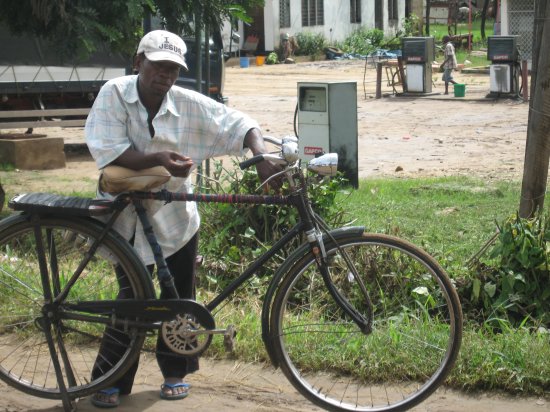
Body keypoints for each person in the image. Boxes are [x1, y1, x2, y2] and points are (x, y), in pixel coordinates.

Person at [85, 29, 281, 408]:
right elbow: (109, 151)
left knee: (180, 296)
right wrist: (158, 158)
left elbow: (235, 121)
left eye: (173, 68)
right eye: (159, 65)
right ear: (138, 62)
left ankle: (175, 371)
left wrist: (259, 155)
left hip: (176, 218)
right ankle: (111, 378)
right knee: (132, 298)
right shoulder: (115, 94)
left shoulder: (185, 102)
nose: (166, 75)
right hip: (126, 217)